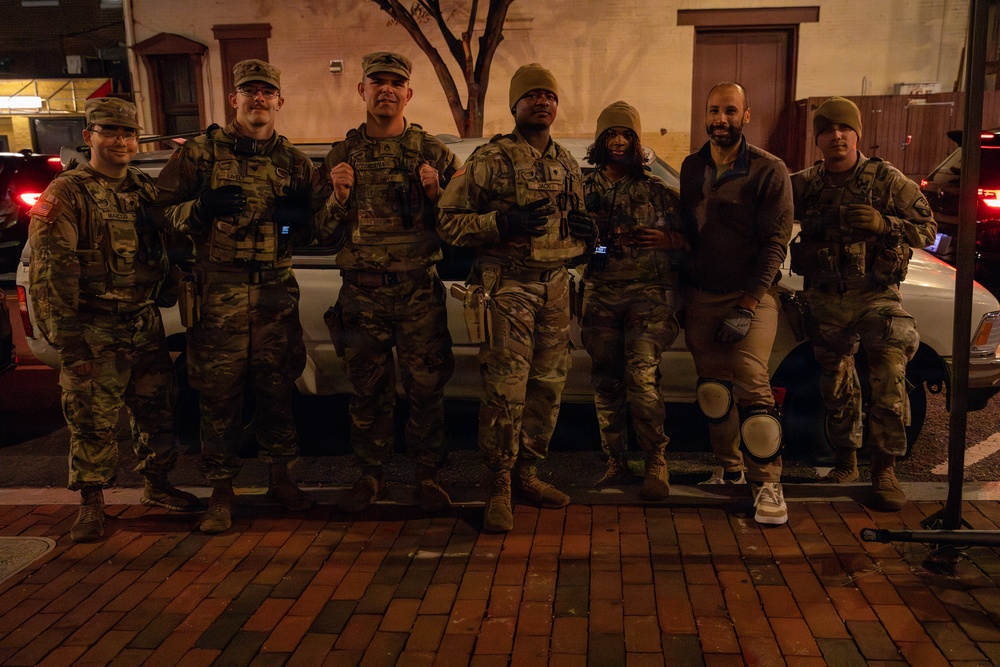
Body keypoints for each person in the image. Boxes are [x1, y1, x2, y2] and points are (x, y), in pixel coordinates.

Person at [156, 59, 325, 534]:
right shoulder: (200, 154)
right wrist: (200, 207)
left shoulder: (294, 162)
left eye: (267, 92)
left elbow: (316, 232)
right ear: (234, 100)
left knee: (277, 390)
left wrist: (298, 219)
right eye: (249, 92)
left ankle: (280, 479)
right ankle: (221, 491)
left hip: (274, 291)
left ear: (279, 101)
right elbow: (156, 216)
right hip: (218, 291)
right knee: (218, 396)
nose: (258, 99)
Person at [28, 98, 200, 542]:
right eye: (110, 133)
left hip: (142, 323)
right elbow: (50, 275)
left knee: (157, 409)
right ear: (90, 138)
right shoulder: (68, 193)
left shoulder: (142, 188)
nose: (121, 141)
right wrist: (71, 346)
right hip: (92, 327)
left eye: (127, 134)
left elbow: (166, 242)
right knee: (92, 419)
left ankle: (157, 485)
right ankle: (91, 504)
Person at [438, 63, 598, 532]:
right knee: (505, 392)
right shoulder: (491, 160)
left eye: (549, 95)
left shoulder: (566, 162)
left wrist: (593, 239)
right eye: (531, 96)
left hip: (555, 287)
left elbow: (583, 224)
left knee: (548, 388)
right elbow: (447, 222)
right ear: (515, 106)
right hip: (507, 287)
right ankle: (499, 484)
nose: (542, 102)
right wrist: (499, 223)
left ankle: (528, 472)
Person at [316, 52, 459, 513]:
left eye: (396, 83)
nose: (387, 90)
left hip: (419, 291)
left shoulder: (434, 153)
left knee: (426, 390)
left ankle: (427, 476)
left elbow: (463, 227)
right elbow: (316, 232)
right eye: (377, 81)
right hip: (362, 293)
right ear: (362, 90)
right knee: (367, 391)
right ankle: (370, 475)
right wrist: (338, 198)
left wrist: (438, 195)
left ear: (409, 94)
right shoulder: (342, 155)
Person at [790, 97, 936, 511]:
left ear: (857, 135)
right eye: (827, 130)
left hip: (876, 298)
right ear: (817, 138)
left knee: (889, 377)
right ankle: (846, 461)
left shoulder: (886, 179)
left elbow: (928, 229)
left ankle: (885, 469)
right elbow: (772, 218)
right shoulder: (804, 184)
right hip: (826, 299)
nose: (837, 136)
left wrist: (883, 223)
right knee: (836, 384)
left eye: (844, 129)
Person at [679, 82, 793, 526]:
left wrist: (747, 305)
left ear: (746, 115)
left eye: (730, 111)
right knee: (713, 389)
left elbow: (775, 244)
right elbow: (689, 235)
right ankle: (729, 467)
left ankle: (768, 483)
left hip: (752, 296)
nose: (719, 119)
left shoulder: (769, 170)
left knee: (751, 382)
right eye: (713, 110)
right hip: (702, 297)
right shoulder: (692, 167)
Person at [580, 101, 686, 500]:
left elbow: (698, 242)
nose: (619, 141)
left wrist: (669, 239)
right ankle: (616, 461)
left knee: (642, 380)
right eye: (611, 134)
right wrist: (588, 242)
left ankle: (656, 459)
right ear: (600, 141)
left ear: (638, 141)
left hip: (648, 298)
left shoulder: (659, 192)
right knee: (606, 382)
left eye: (627, 134)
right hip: (600, 295)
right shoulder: (583, 189)